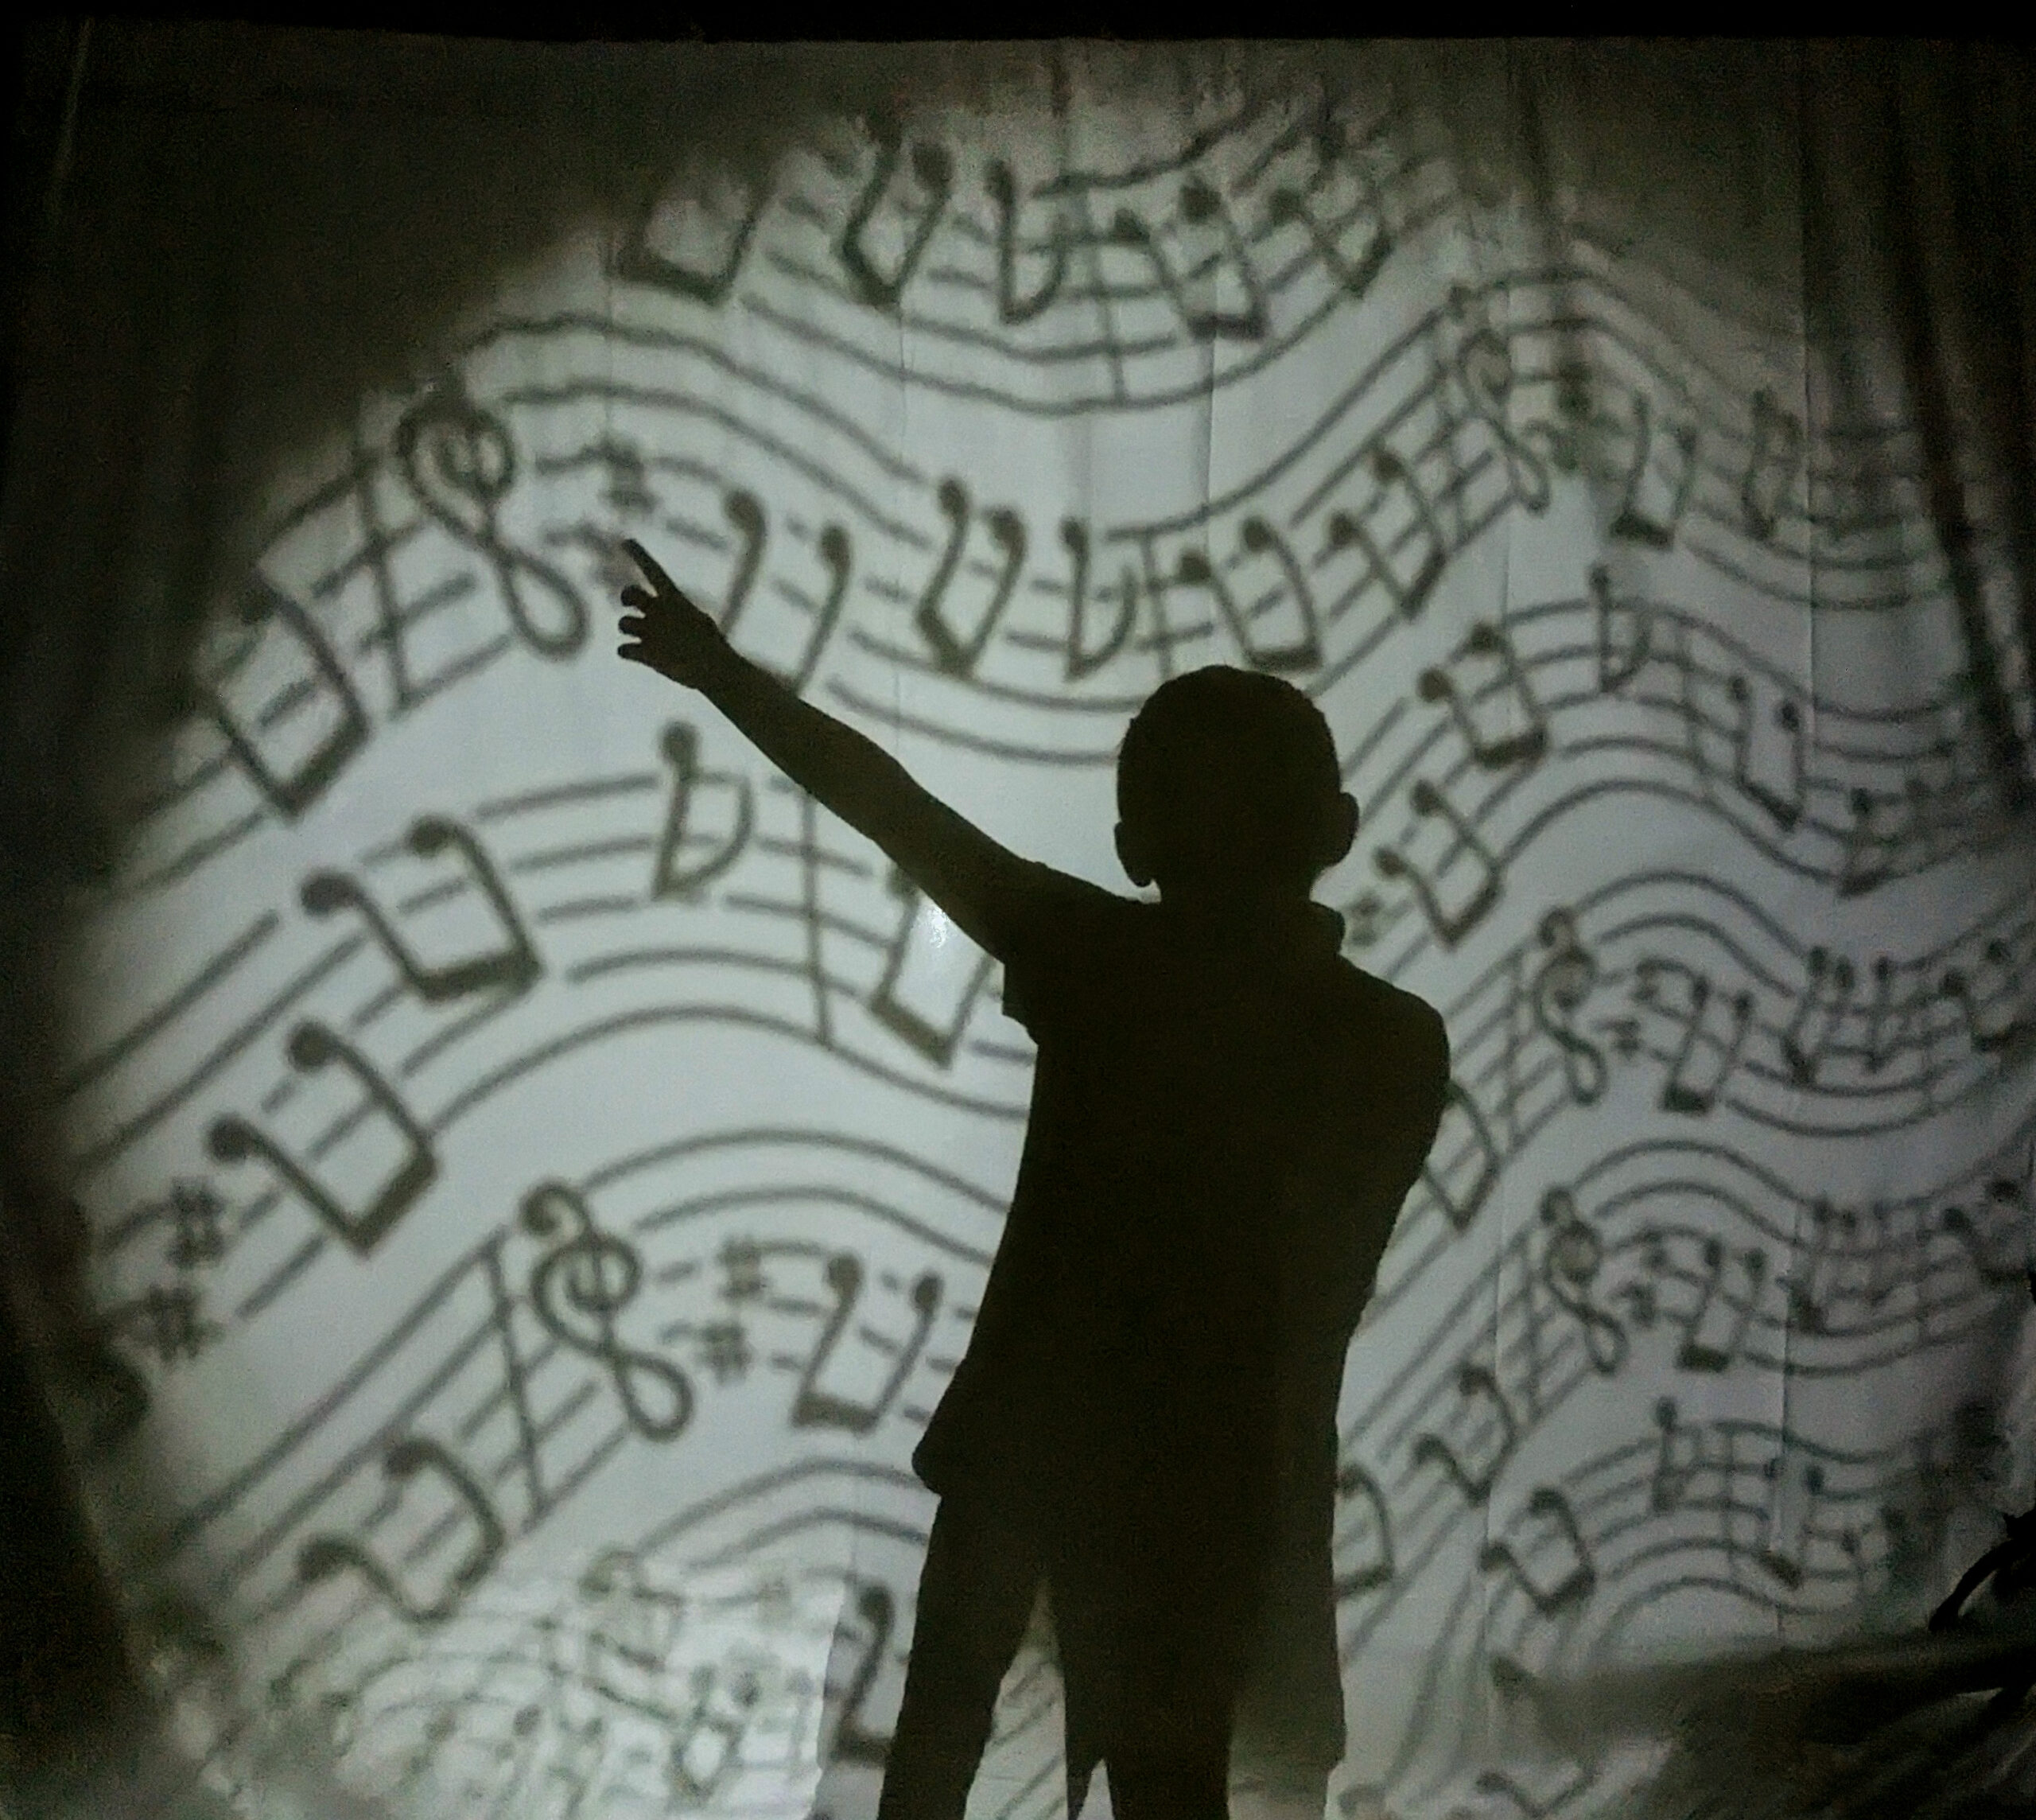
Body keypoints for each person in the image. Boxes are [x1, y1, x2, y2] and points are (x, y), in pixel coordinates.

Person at [617, 540, 1450, 1820]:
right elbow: (1312, 1295)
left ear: (1132, 845)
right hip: (1221, 1488)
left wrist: (727, 679)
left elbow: (891, 805)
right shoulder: (1390, 1041)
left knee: (943, 1756)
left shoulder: (1097, 962)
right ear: (1332, 831)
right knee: (1168, 1784)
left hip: (1031, 1452)